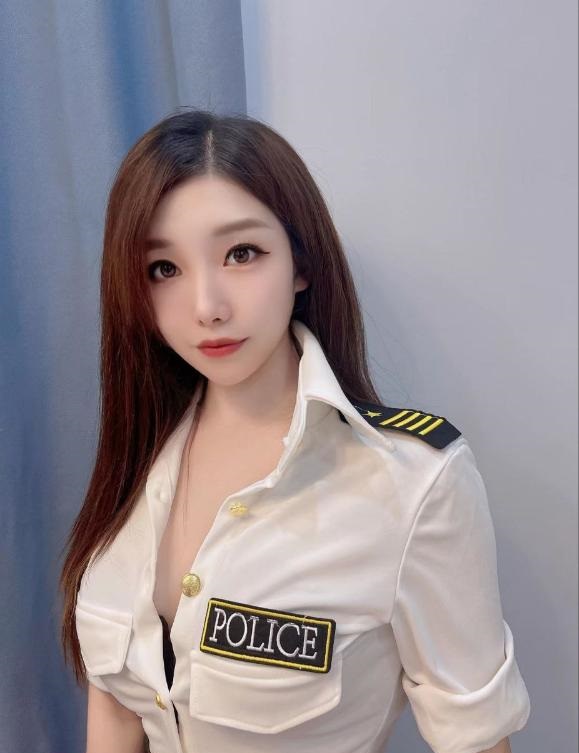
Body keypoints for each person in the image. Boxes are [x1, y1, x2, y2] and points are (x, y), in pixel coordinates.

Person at [59, 109, 531, 753]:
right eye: (163, 269)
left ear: (300, 263)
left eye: (241, 254)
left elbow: (474, 739)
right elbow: (116, 714)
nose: (207, 307)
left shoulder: (412, 483)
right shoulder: (136, 459)